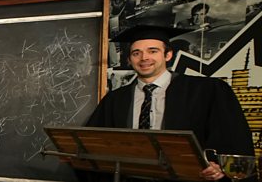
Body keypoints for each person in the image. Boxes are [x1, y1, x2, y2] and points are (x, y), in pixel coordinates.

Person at [81, 25, 255, 182]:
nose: (144, 58)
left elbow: (233, 139)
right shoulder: (115, 99)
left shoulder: (207, 91)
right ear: (129, 59)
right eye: (136, 53)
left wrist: (218, 166)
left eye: (153, 51)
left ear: (168, 55)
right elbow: (93, 146)